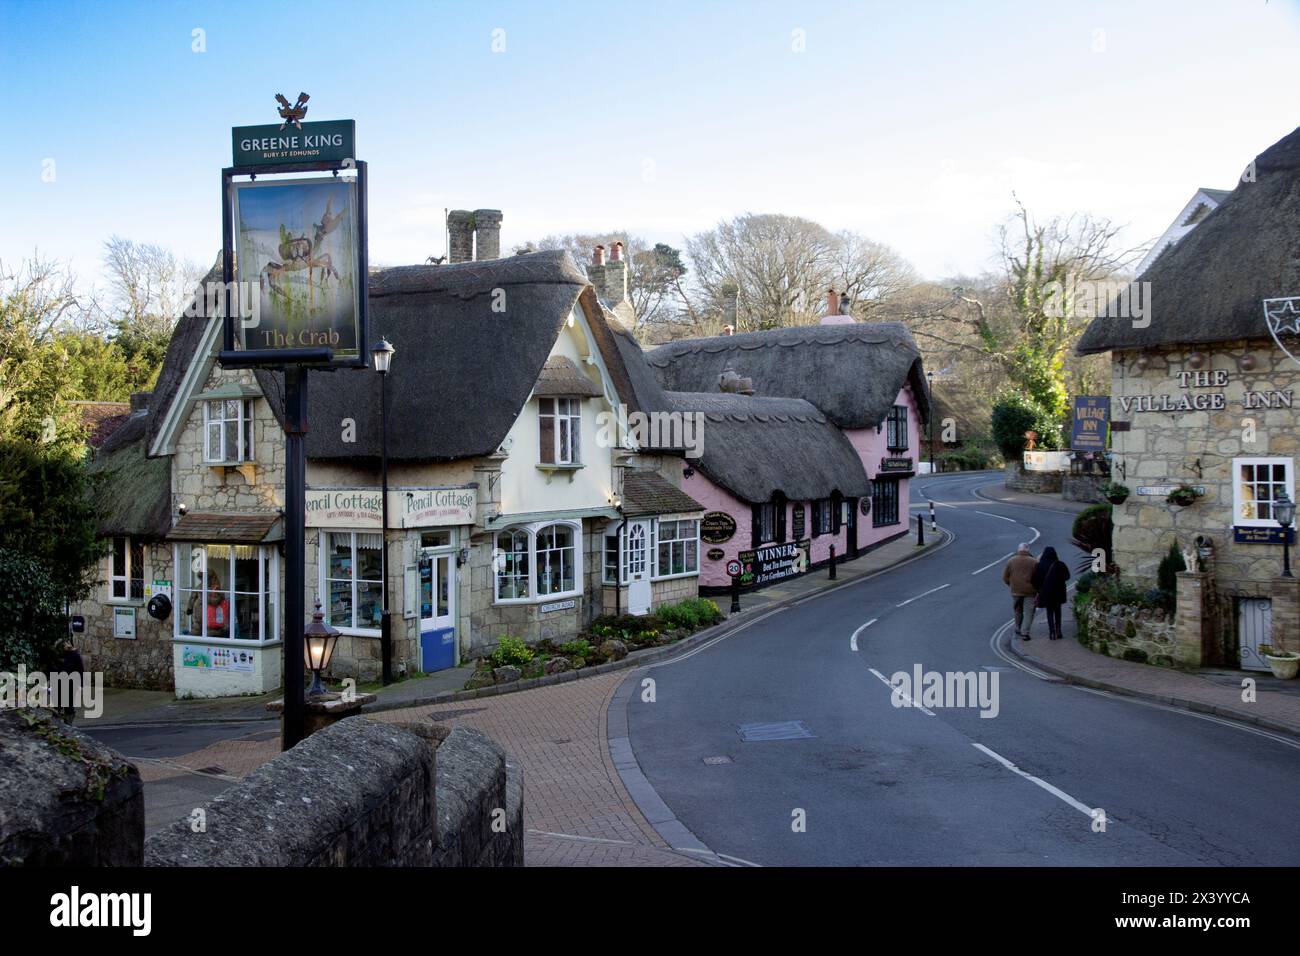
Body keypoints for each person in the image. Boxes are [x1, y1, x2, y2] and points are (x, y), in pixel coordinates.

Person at [1031, 546, 1071, 640]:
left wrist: (1039, 589)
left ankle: (1052, 633)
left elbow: (1035, 580)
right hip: (1059, 592)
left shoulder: (1040, 565)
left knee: (1049, 612)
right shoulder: (1060, 564)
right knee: (1058, 611)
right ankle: (1058, 630)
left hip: (1046, 593)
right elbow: (1067, 576)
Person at [1002, 543, 1039, 640]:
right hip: (1030, 592)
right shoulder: (1034, 562)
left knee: (1018, 610)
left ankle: (1018, 628)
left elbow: (1005, 577)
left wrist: (1012, 585)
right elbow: (1038, 577)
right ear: (1028, 550)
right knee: (1029, 612)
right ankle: (1025, 632)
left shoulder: (1011, 561)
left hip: (1016, 591)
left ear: (1018, 550)